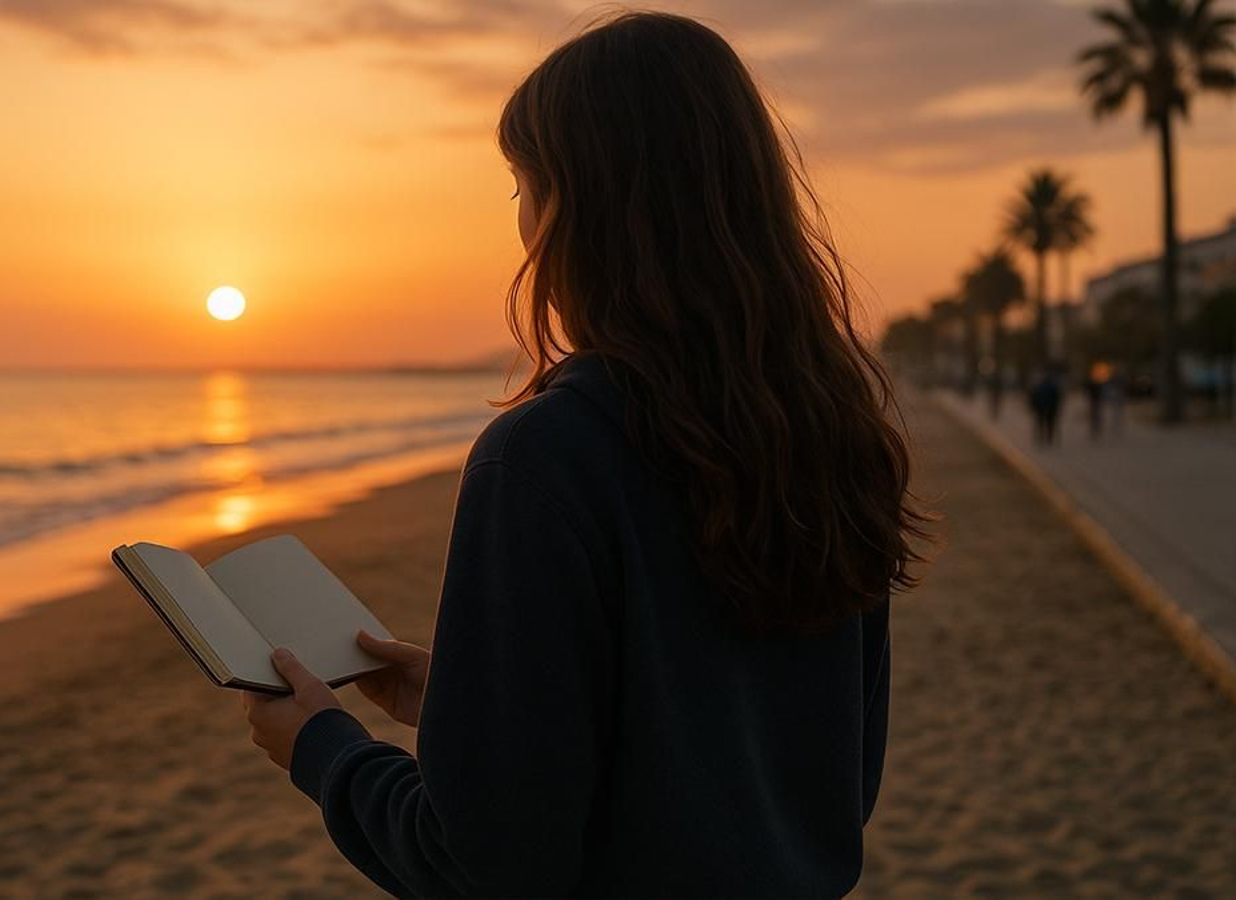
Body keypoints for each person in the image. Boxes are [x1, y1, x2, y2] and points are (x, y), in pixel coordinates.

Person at [238, 10, 930, 898]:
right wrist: (466, 707)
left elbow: (481, 865)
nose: (522, 221)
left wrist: (324, 752)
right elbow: (818, 779)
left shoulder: (544, 459)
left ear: (583, 207)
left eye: (526, 185)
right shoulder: (832, 439)